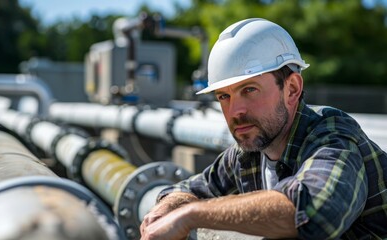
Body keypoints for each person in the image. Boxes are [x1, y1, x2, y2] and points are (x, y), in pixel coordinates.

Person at [139, 18, 387, 239]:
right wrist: (168, 206)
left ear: (291, 89)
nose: (235, 112)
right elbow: (191, 188)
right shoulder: (248, 151)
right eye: (224, 96)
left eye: (249, 90)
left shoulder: (332, 137)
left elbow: (315, 211)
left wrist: (191, 214)